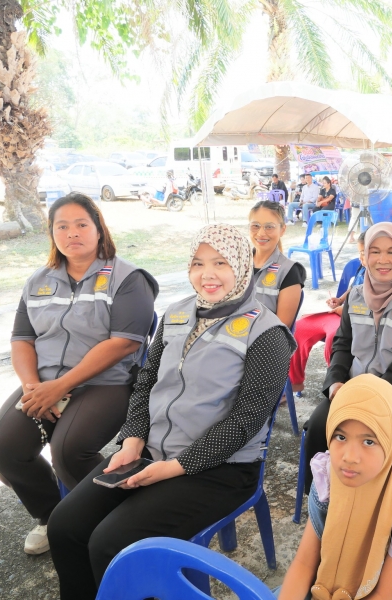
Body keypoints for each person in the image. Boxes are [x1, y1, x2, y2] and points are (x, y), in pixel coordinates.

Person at [47, 224, 296, 600]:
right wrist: (132, 440)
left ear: (243, 266)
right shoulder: (177, 314)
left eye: (221, 263)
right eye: (198, 263)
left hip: (221, 470)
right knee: (65, 526)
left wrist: (175, 467)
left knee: (111, 543)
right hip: (151, 451)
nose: (207, 274)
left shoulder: (267, 333)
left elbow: (246, 421)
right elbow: (146, 381)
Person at [0, 193, 158, 556]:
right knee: (3, 447)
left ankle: (121, 521)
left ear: (99, 229)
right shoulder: (39, 281)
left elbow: (125, 343)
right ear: (51, 233)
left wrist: (60, 387)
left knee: (70, 450)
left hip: (107, 382)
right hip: (45, 381)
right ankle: (53, 516)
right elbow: (22, 339)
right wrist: (33, 387)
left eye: (81, 224)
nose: (72, 233)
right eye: (61, 226)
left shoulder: (128, 278)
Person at [301, 223, 392, 493]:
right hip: (353, 389)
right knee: (319, 426)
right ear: (365, 256)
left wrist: (371, 396)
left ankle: (376, 505)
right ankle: (322, 502)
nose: (382, 260)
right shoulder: (355, 295)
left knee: (371, 439)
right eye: (374, 251)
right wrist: (335, 382)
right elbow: (342, 344)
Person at [278, 374, 392, 600]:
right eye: (340, 437)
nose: (349, 457)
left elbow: (384, 594)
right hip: (339, 579)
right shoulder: (329, 474)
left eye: (369, 441)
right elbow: (304, 563)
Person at [289, 233, 367, 394]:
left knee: (334, 337)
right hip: (340, 313)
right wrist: (340, 300)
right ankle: (295, 382)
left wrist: (345, 311)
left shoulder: (382, 277)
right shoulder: (363, 267)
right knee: (299, 328)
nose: (361, 257)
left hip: (356, 318)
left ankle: (335, 382)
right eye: (360, 252)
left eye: (365, 253)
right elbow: (354, 287)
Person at [249, 201, 306, 327]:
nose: (261, 233)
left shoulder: (289, 271)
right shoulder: (237, 264)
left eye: (269, 227)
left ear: (282, 230)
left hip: (264, 338)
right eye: (255, 226)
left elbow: (281, 329)